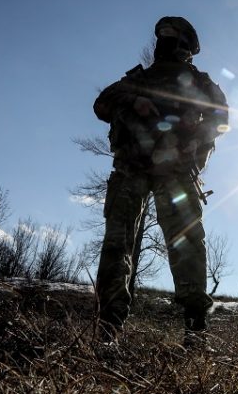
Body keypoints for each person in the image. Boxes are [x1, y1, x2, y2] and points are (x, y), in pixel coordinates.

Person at [92, 17, 229, 339]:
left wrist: (194, 145)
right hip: (130, 168)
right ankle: (107, 329)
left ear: (186, 44)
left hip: (177, 171)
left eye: (170, 36)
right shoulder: (139, 78)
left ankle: (196, 328)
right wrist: (133, 100)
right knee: (116, 245)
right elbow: (101, 104)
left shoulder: (199, 81)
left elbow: (221, 118)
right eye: (160, 36)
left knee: (187, 244)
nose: (162, 41)